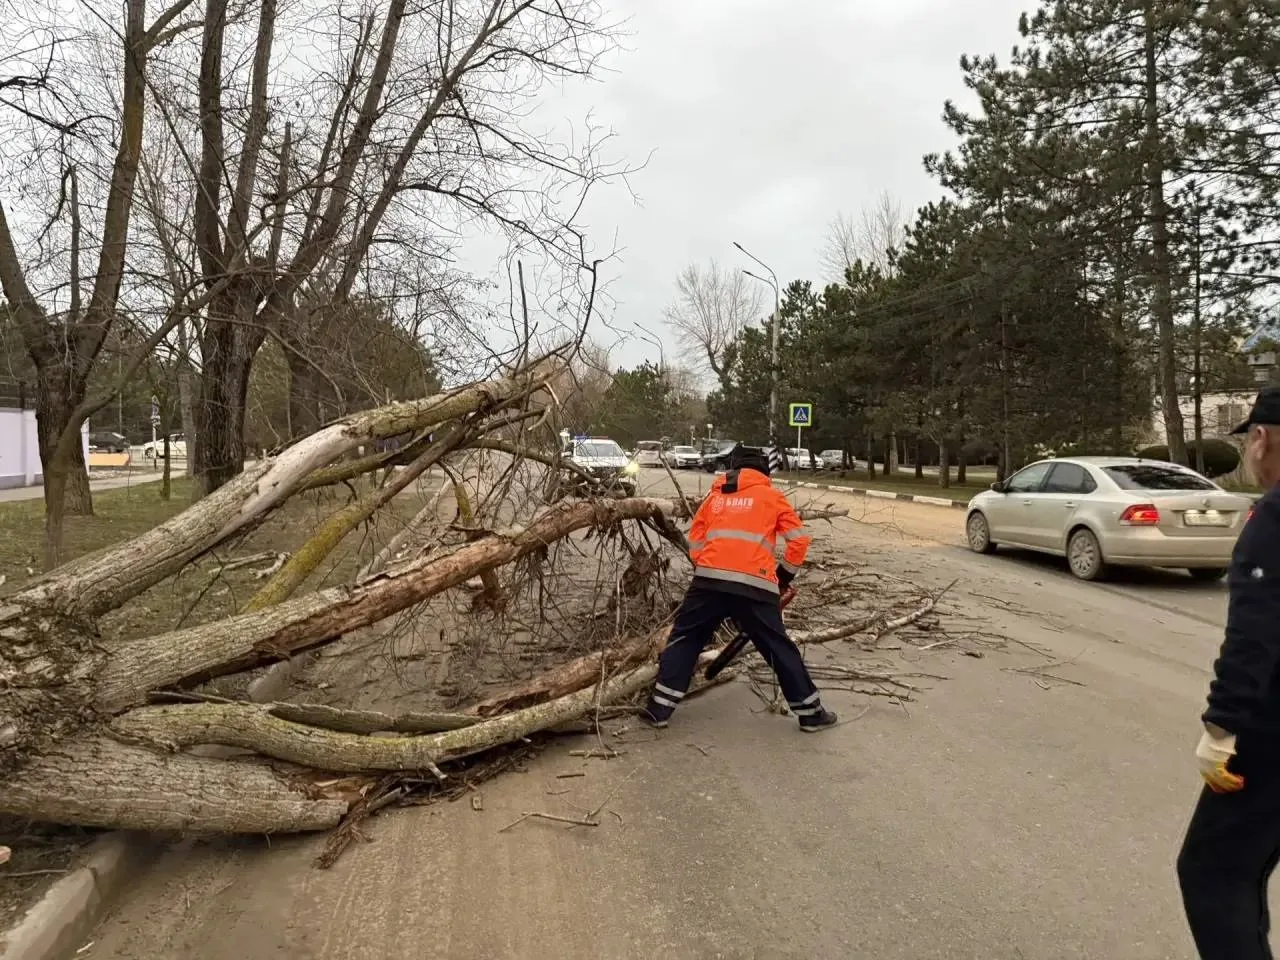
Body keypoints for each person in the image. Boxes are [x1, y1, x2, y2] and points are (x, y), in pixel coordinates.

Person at [1178, 386, 1280, 959]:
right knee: (1247, 869)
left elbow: (1254, 638)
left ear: (1261, 439)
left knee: (1213, 873)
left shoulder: (1274, 522)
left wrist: (1221, 731)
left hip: (1271, 738)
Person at [640, 443, 837, 732]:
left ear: (733, 469)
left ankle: (659, 710)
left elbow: (696, 539)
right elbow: (799, 541)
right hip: (755, 585)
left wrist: (707, 567)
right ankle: (810, 713)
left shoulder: (716, 497)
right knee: (777, 646)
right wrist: (783, 577)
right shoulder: (771, 496)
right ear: (763, 470)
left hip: (708, 581)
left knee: (686, 638)